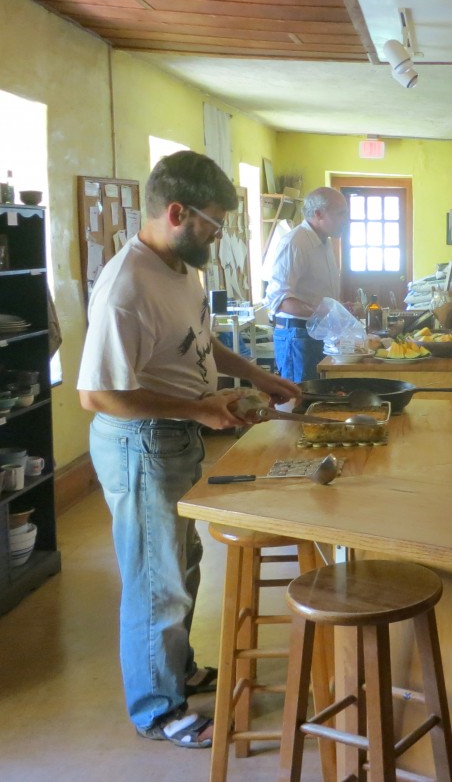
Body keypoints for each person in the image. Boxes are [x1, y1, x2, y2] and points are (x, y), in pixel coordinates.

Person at [78, 151, 301, 749]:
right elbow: (97, 394)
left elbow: (198, 343)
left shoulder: (182, 268)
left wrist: (256, 375)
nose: (218, 235)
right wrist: (200, 409)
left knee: (184, 561)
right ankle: (157, 708)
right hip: (140, 445)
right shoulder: (127, 284)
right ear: (176, 212)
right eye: (214, 223)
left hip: (174, 440)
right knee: (157, 579)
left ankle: (174, 668)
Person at [265, 187, 348, 382]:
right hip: (297, 336)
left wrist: (338, 310)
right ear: (318, 214)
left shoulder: (324, 242)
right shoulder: (295, 242)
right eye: (340, 214)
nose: (346, 220)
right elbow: (280, 300)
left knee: (320, 398)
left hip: (318, 333)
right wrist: (325, 313)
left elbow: (319, 293)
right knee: (300, 400)